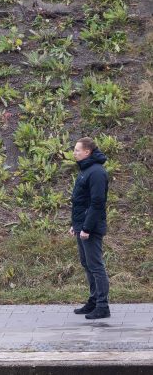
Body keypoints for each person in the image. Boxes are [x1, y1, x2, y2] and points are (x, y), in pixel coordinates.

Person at [70, 137, 110, 320]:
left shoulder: (96, 172)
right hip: (82, 225)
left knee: (96, 266)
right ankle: (93, 301)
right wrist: (76, 226)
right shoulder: (85, 170)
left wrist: (86, 227)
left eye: (77, 150)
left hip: (91, 227)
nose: (74, 153)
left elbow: (97, 203)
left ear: (87, 152)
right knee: (87, 264)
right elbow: (81, 202)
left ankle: (103, 306)